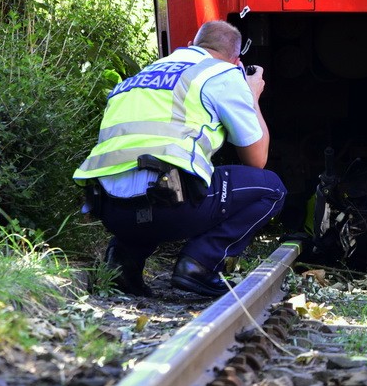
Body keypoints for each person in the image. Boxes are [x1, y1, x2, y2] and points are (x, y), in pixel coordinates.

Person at [74, 20, 285, 298]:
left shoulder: (141, 76)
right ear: (236, 60)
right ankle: (200, 264)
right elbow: (256, 158)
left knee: (148, 177)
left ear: (191, 46)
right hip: (171, 207)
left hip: (111, 210)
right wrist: (252, 95)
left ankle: (122, 263)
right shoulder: (221, 73)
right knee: (271, 188)